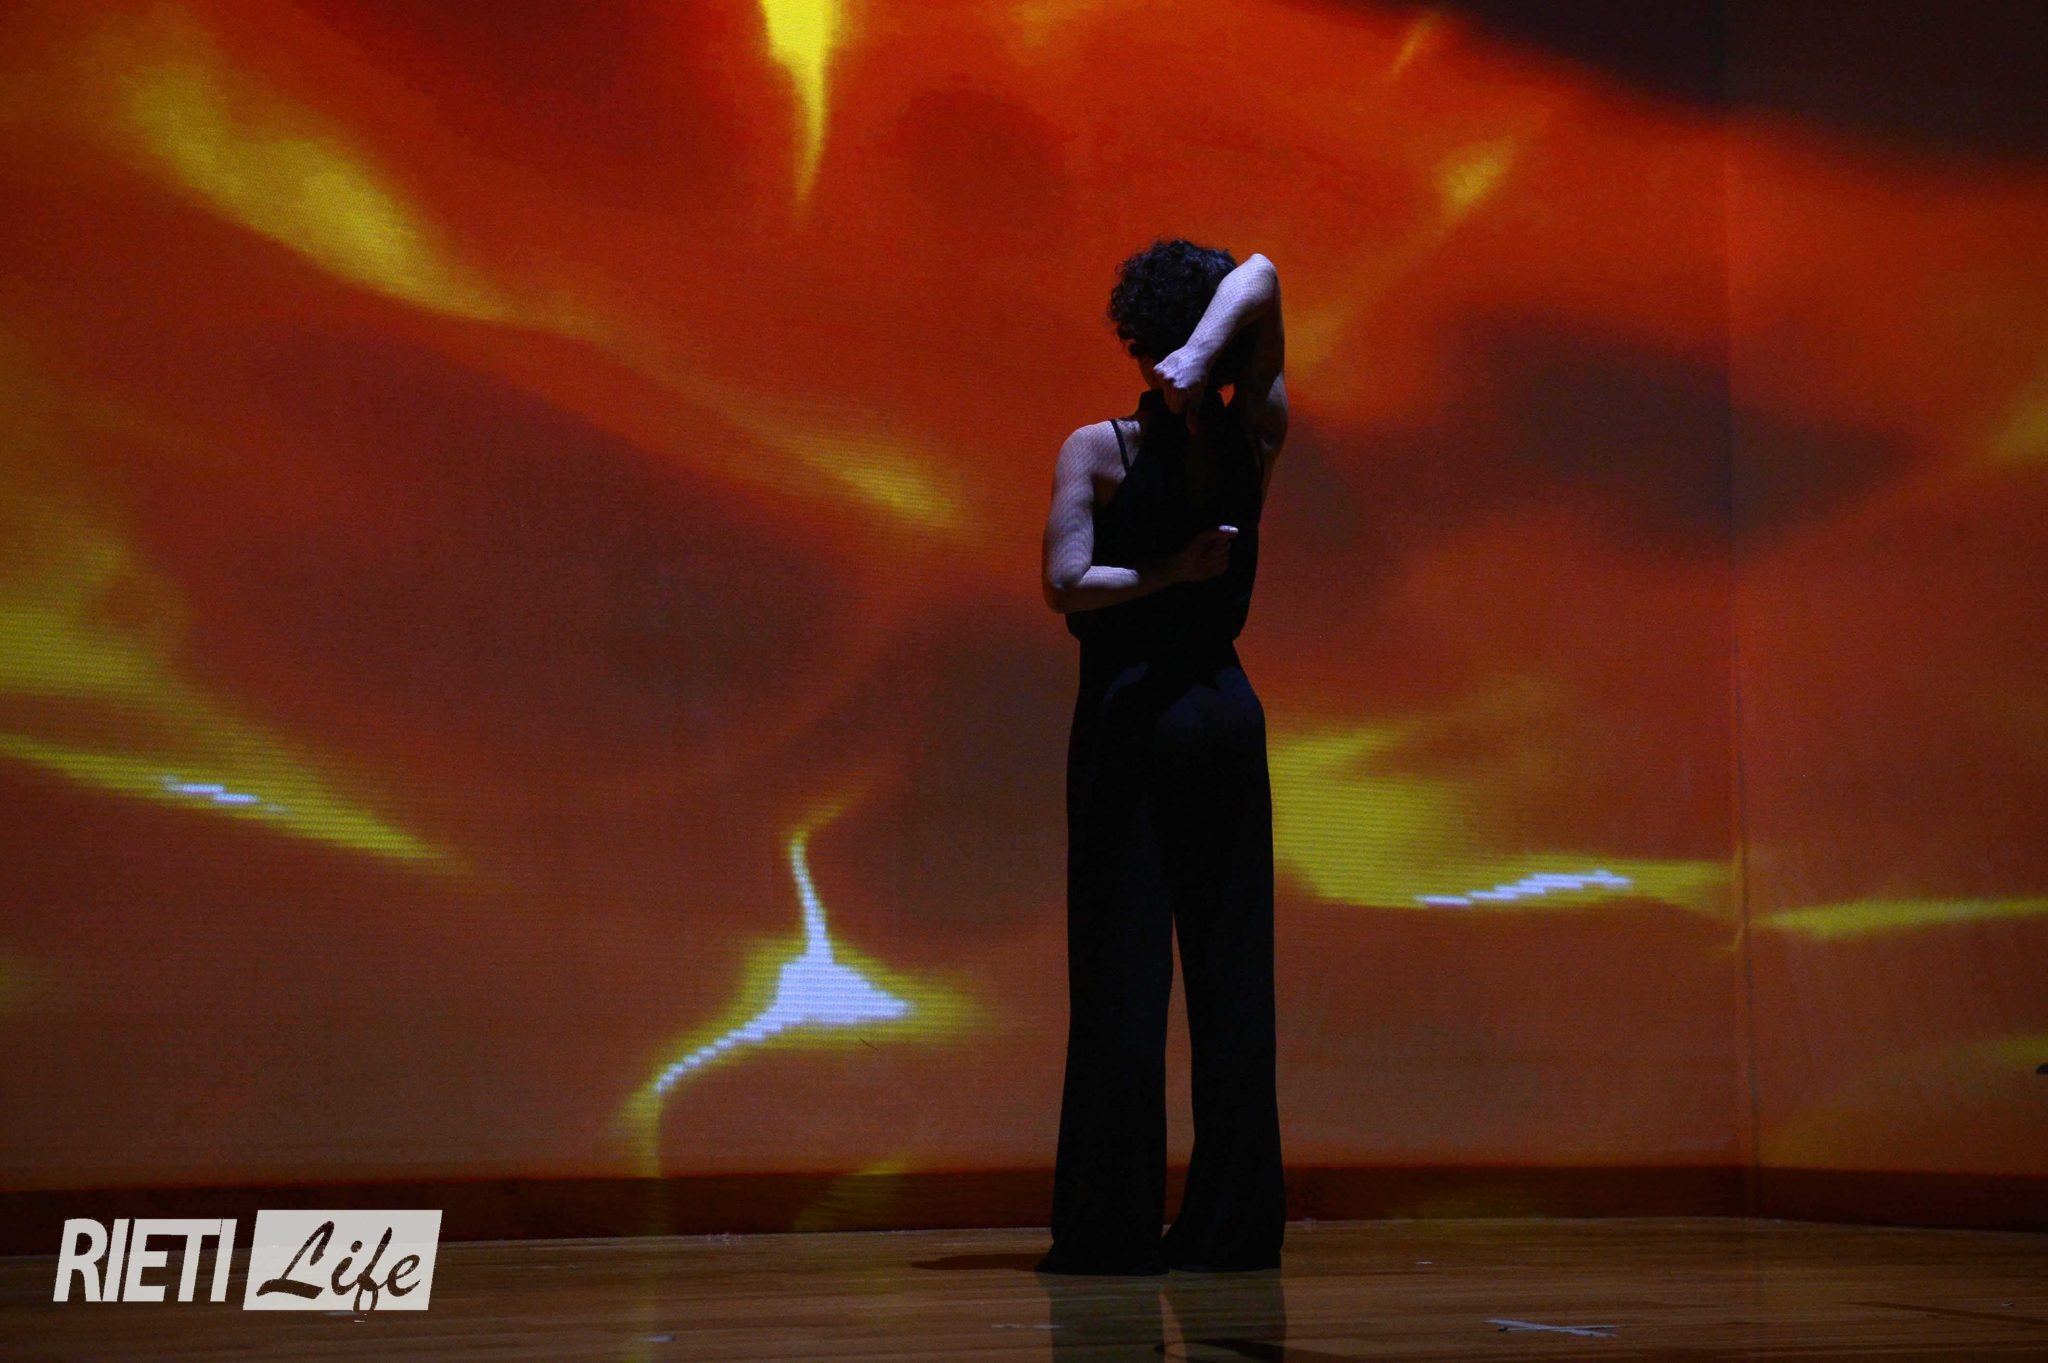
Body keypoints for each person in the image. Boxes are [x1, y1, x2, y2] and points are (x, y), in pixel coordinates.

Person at [1035, 238, 1290, 1274]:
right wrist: (1173, 571)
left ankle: (1158, 1227)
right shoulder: (1225, 437)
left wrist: (1192, 363)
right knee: (1174, 976)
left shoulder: (1157, 442)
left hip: (1158, 715)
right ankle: (1178, 1224)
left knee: (1169, 974)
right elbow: (1064, 585)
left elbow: (1263, 273)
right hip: (1178, 713)